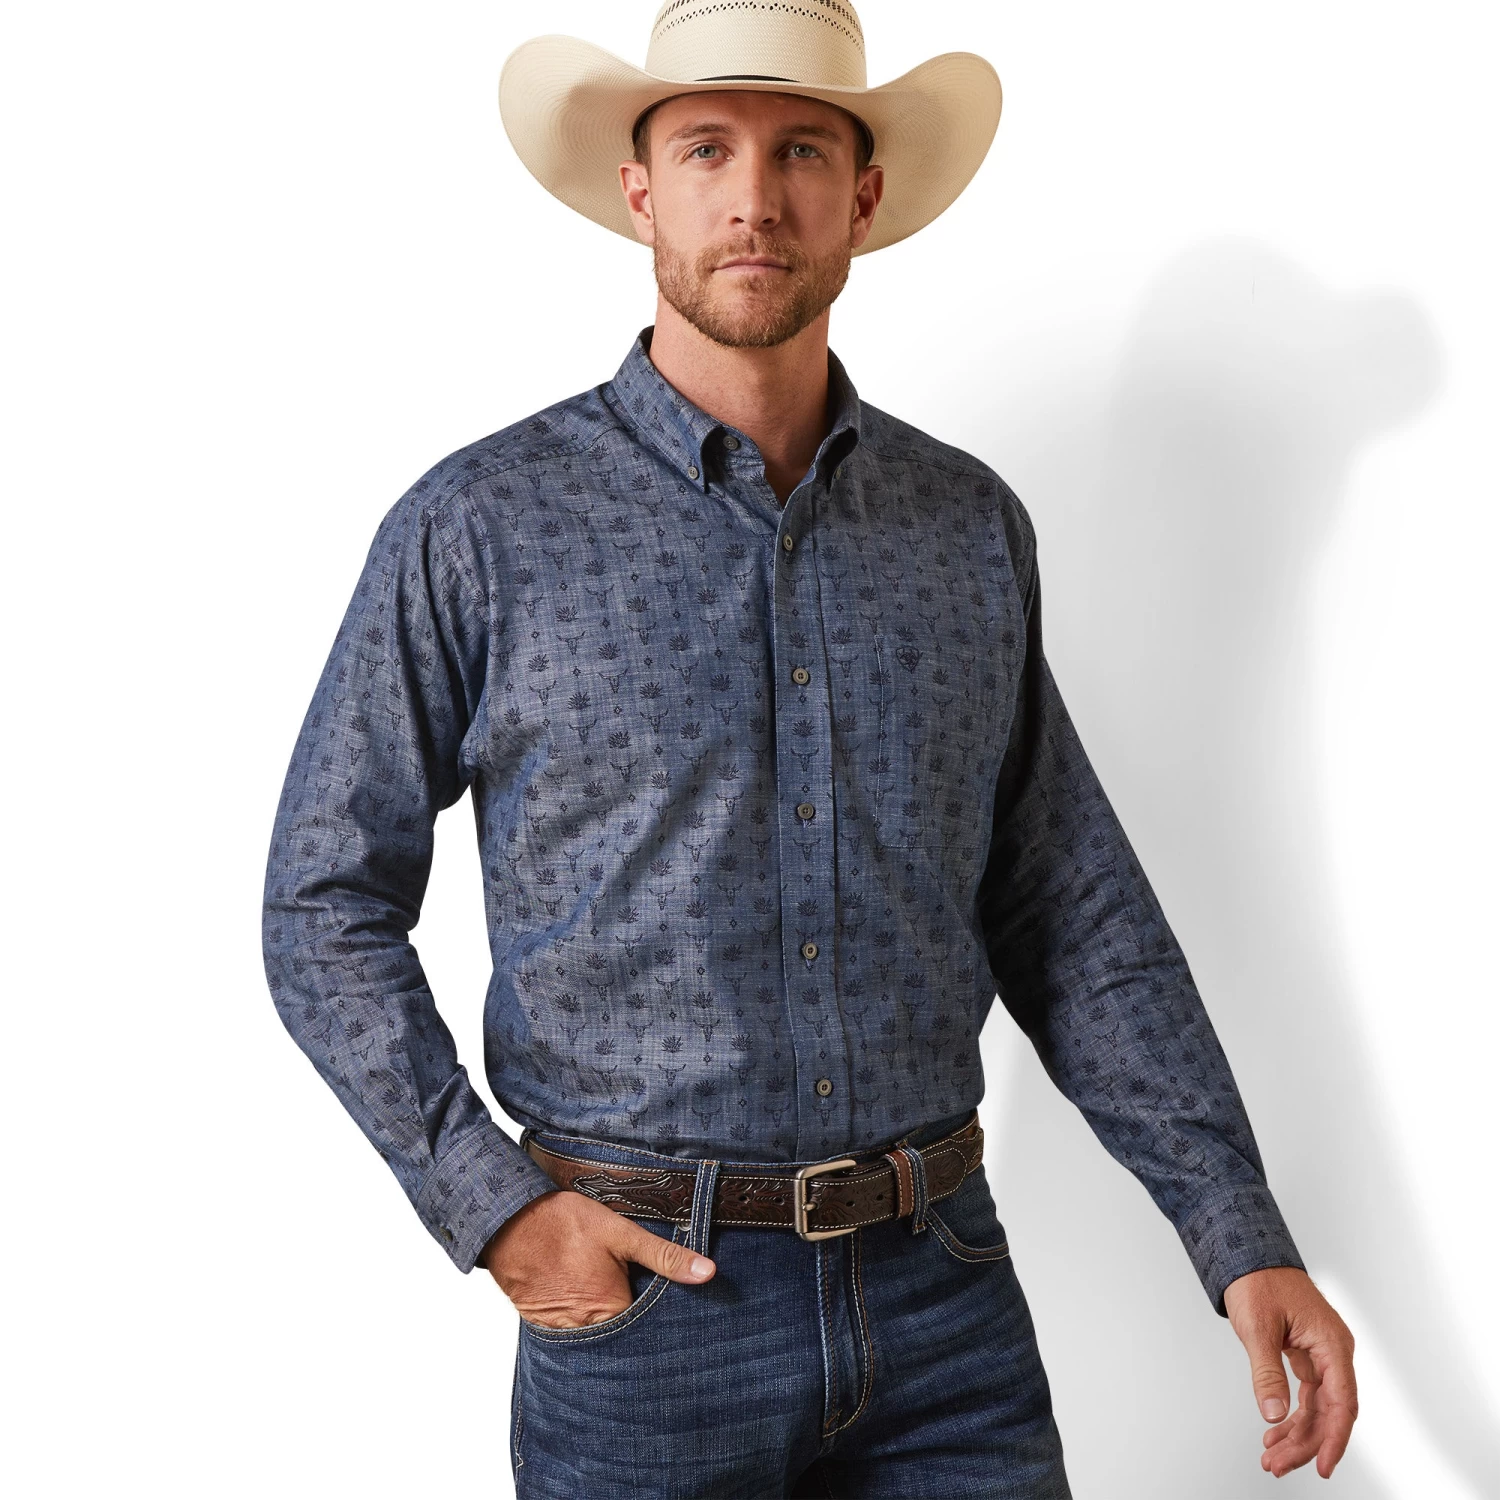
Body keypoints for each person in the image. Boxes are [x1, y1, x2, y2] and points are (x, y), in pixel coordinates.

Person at [261, 3, 1357, 1493]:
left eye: (801, 152)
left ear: (863, 196)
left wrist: (1238, 1232)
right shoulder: (481, 528)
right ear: (640, 190)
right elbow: (323, 899)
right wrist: (494, 1205)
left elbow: (1066, 908)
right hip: (647, 1316)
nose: (754, 199)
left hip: (946, 1305)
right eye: (706, 149)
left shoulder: (966, 528)